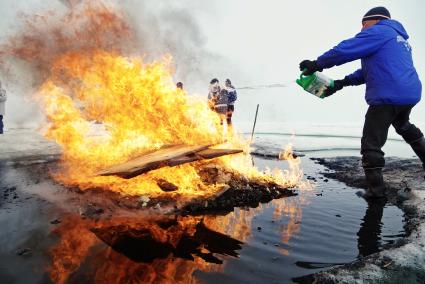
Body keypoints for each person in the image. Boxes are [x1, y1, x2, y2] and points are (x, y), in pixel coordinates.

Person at [299, 7, 424, 199]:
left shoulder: (380, 31)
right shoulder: (398, 38)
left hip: (388, 94)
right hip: (409, 92)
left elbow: (345, 49)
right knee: (404, 125)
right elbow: (372, 71)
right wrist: (341, 83)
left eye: (364, 23)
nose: (362, 28)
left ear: (375, 20)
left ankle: (376, 192)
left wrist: (317, 63)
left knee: (371, 143)